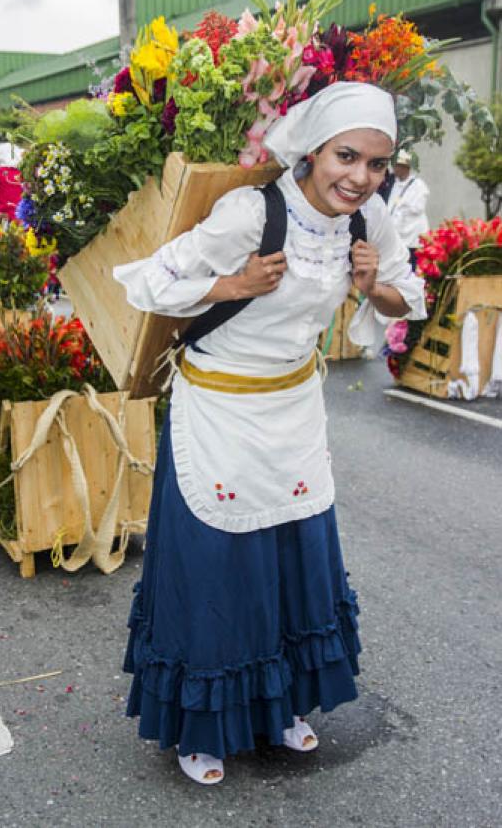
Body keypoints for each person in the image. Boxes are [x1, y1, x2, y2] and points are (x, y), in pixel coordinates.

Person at [113, 81, 426, 786]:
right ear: (311, 150)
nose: (360, 177)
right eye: (346, 156)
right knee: (216, 569)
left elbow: (411, 295)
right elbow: (148, 282)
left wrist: (374, 285)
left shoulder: (367, 219)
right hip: (219, 409)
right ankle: (202, 728)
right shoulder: (252, 212)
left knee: (293, 564)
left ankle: (280, 705)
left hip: (292, 413)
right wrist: (233, 285)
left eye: (377, 164)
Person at [387, 149, 430, 269]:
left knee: (413, 268)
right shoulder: (394, 184)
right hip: (398, 237)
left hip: (412, 236)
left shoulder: (418, 185)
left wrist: (403, 205)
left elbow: (418, 208)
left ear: (405, 167)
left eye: (398, 166)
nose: (395, 169)